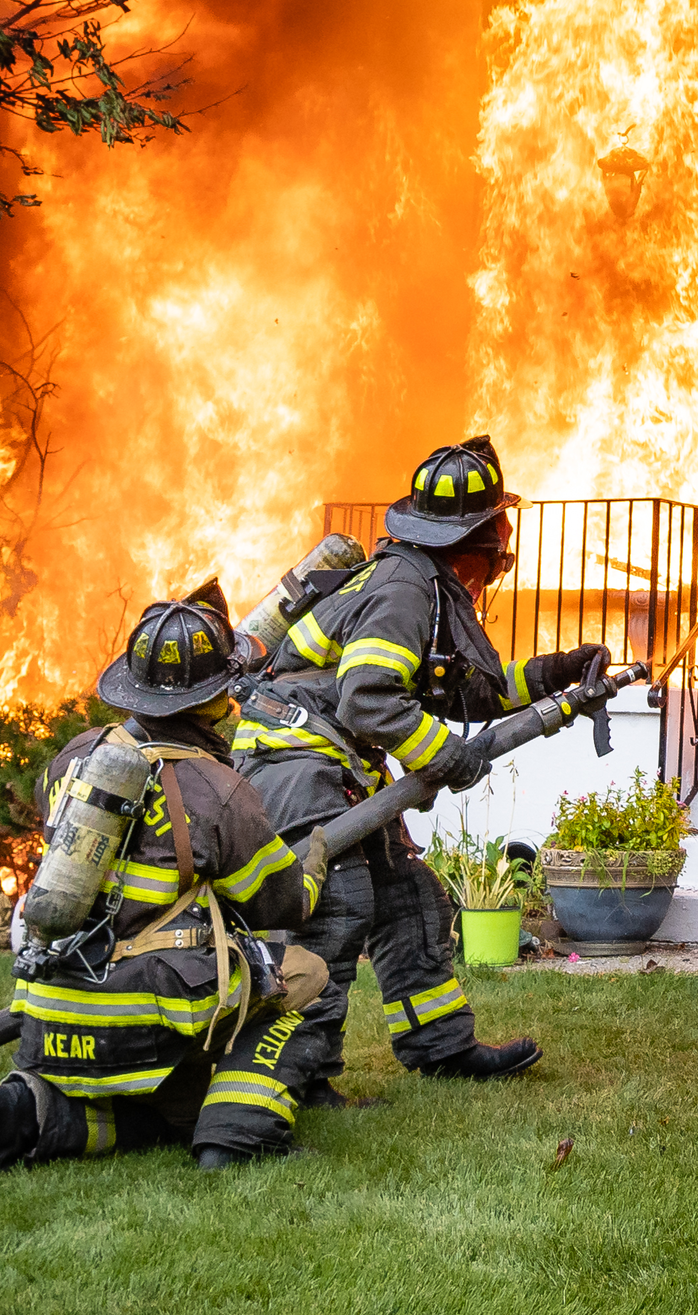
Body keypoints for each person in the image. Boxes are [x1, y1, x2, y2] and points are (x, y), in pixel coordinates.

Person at [233, 434, 606, 1095]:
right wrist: (448, 758)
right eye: (499, 536)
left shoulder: (422, 584)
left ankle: (440, 1047)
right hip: (298, 765)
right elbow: (369, 698)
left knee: (409, 897)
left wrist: (558, 673)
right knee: (337, 908)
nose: (503, 555)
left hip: (333, 764)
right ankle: (297, 1075)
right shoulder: (406, 589)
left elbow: (468, 690)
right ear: (475, 542)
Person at [0, 588, 329, 1174]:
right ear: (217, 699)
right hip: (145, 1019)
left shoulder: (73, 757)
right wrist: (313, 865)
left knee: (157, 1115)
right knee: (304, 975)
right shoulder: (216, 790)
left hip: (50, 1015)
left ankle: (24, 1112)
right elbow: (278, 904)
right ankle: (236, 1132)